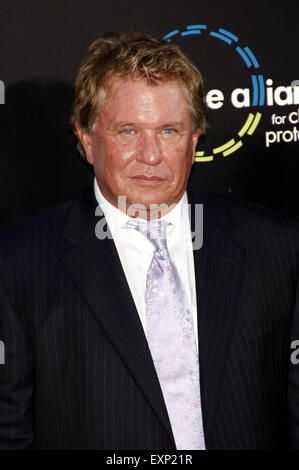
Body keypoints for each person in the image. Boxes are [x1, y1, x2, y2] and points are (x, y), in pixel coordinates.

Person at [0, 31, 298, 450]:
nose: (152, 155)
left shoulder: (278, 247)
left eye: (170, 131)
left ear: (194, 141)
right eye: (127, 131)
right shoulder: (18, 264)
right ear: (87, 140)